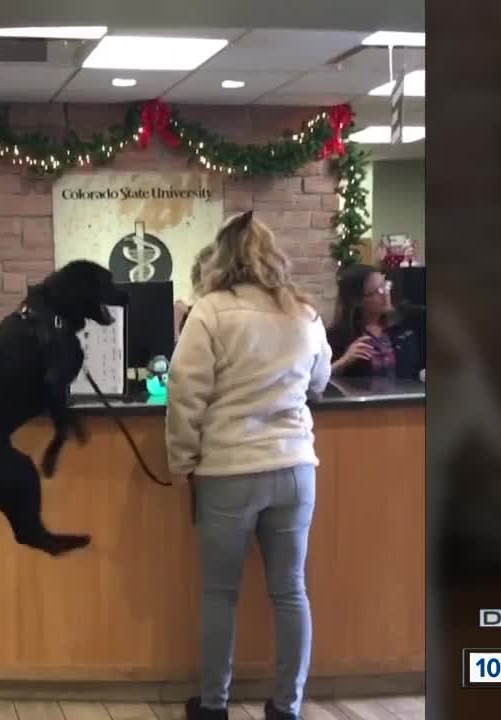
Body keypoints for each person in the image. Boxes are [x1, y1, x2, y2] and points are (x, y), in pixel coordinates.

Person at [166, 210, 332, 720]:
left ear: (221, 258)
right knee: (290, 591)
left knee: (220, 594)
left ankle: (214, 706)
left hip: (228, 471)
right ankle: (288, 707)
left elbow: (185, 393)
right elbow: (319, 381)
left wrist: (182, 462)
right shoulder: (303, 313)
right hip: (295, 468)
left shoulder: (210, 312)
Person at [327, 263, 397, 378]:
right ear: (358, 300)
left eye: (386, 286)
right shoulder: (337, 336)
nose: (386, 294)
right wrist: (344, 361)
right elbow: (318, 381)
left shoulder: (401, 330)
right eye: (379, 290)